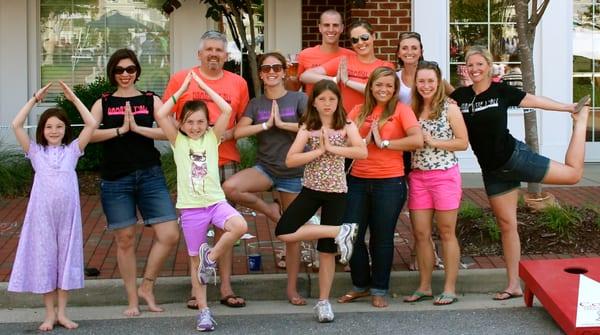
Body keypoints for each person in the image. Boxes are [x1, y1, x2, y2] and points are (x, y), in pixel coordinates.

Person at [449, 45, 589, 301]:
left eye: (480, 64)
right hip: (492, 171)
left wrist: (569, 107)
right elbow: (438, 96)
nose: (476, 69)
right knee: (506, 225)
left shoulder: (501, 91)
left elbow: (534, 100)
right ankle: (513, 284)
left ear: (489, 66)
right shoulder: (460, 96)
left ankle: (580, 124)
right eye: (471, 64)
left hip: (514, 158)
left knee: (573, 175)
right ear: (465, 68)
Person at [90, 48, 180, 316]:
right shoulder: (103, 103)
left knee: (169, 234)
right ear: (112, 73)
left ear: (137, 71)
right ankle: (132, 300)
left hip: (150, 174)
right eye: (119, 70)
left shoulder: (150, 99)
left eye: (130, 69)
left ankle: (147, 286)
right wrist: (119, 130)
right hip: (116, 179)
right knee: (125, 239)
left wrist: (139, 129)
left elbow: (171, 132)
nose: (125, 74)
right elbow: (88, 134)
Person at [155, 71, 248, 332]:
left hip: (215, 202)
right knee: (195, 261)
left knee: (239, 226)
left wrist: (205, 87)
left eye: (200, 122)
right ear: (181, 124)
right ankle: (204, 312)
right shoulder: (178, 142)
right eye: (189, 122)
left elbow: (227, 108)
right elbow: (161, 115)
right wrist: (184, 86)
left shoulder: (211, 138)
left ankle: (213, 257)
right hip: (191, 208)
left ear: (208, 123)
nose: (195, 127)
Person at [8, 81, 98, 331]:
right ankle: (49, 314)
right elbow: (16, 124)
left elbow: (91, 123)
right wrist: (36, 98)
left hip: (68, 217)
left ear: (66, 129)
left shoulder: (73, 150)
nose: (54, 130)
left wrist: (73, 99)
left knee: (65, 261)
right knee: (46, 261)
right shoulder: (35, 152)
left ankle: (63, 313)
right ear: (42, 130)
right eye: (49, 126)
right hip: (41, 217)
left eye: (59, 126)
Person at [276, 79, 367, 322]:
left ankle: (323, 302)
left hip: (337, 191)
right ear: (314, 102)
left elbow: (362, 152)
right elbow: (290, 160)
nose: (327, 103)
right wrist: (317, 150)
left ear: (338, 102)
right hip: (311, 189)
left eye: (332, 99)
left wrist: (334, 149)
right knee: (285, 230)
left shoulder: (345, 124)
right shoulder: (307, 126)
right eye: (322, 99)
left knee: (326, 251)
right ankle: (341, 231)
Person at [221, 52, 308, 305]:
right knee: (231, 187)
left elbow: (311, 127)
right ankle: (269, 209)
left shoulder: (298, 97)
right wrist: (265, 125)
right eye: (266, 68)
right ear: (260, 73)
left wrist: (282, 123)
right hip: (266, 168)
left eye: (276, 67)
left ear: (284, 71)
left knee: (290, 234)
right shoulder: (256, 104)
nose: (271, 71)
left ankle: (291, 289)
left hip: (293, 172)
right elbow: (238, 131)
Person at [337, 66, 423, 308]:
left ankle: (379, 288)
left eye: (389, 85)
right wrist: (360, 141)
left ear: (395, 89)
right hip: (356, 180)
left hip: (390, 182)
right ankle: (360, 285)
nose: (383, 89)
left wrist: (384, 142)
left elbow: (416, 141)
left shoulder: (402, 111)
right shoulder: (358, 110)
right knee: (350, 234)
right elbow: (344, 140)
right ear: (371, 87)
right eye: (379, 85)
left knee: (381, 238)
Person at [402, 61, 468, 305]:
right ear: (415, 83)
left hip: (445, 176)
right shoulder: (410, 108)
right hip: (418, 177)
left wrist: (434, 142)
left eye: (430, 81)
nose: (426, 85)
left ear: (439, 82)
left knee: (447, 232)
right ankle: (425, 286)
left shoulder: (450, 109)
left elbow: (462, 143)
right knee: (420, 233)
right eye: (421, 81)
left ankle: (449, 288)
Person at [300, 20, 395, 114]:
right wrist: (334, 79)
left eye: (364, 37)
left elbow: (378, 91)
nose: (360, 43)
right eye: (355, 40)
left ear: (373, 36)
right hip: (345, 123)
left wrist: (347, 82)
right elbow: (305, 76)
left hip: (373, 122)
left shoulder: (385, 66)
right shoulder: (344, 61)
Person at [293, 9, 354, 95]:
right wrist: (288, 78)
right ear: (320, 28)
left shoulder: (352, 56)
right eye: (326, 25)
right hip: (313, 107)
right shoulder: (305, 54)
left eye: (335, 25)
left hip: (343, 108)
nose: (331, 29)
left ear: (342, 28)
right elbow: (294, 88)